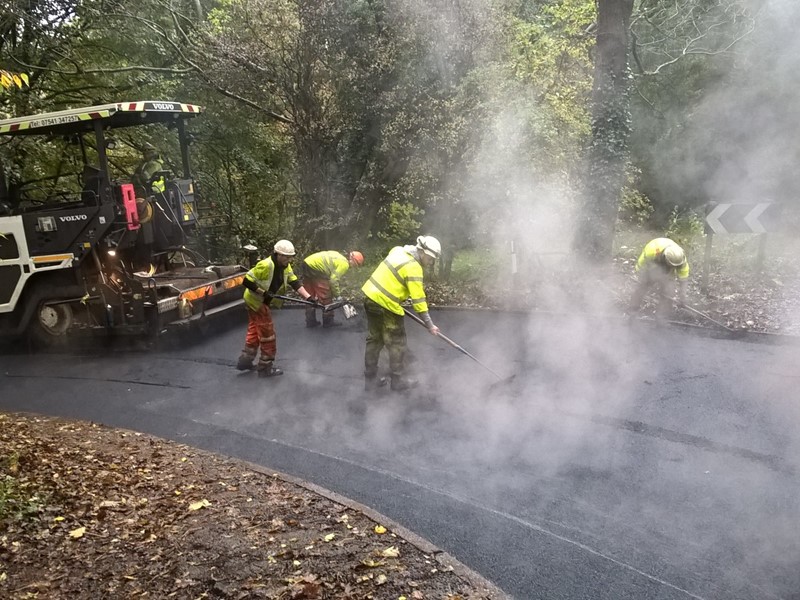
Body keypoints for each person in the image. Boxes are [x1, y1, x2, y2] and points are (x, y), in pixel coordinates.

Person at [361, 235, 441, 392]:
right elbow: (418, 301)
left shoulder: (398, 251)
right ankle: (397, 382)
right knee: (397, 344)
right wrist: (430, 325)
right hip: (386, 306)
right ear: (423, 252)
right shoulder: (414, 268)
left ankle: (369, 381)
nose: (431, 263)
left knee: (374, 341)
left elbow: (392, 277)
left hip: (370, 298)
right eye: (431, 259)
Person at [237, 239, 315, 377]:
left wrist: (308, 298)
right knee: (268, 335)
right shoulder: (266, 265)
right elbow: (246, 281)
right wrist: (262, 292)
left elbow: (294, 282)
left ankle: (245, 360)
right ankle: (265, 368)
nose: (289, 259)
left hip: (260, 301)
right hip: (257, 302)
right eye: (286, 256)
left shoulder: (286, 267)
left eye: (290, 257)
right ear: (278, 254)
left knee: (254, 330)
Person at [302, 250, 364, 328]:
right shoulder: (344, 264)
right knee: (326, 296)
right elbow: (333, 280)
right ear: (354, 261)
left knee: (309, 296)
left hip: (307, 263)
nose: (354, 267)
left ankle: (310, 321)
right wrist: (338, 296)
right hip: (316, 269)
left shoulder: (339, 257)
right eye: (356, 265)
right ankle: (328, 322)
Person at [630, 237, 690, 317]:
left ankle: (662, 317)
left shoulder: (681, 259)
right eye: (671, 265)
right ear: (665, 259)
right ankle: (633, 311)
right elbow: (640, 267)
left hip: (666, 265)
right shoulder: (651, 252)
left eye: (674, 266)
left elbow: (683, 279)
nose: (672, 267)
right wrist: (644, 281)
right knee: (642, 287)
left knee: (669, 292)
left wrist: (682, 296)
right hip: (651, 265)